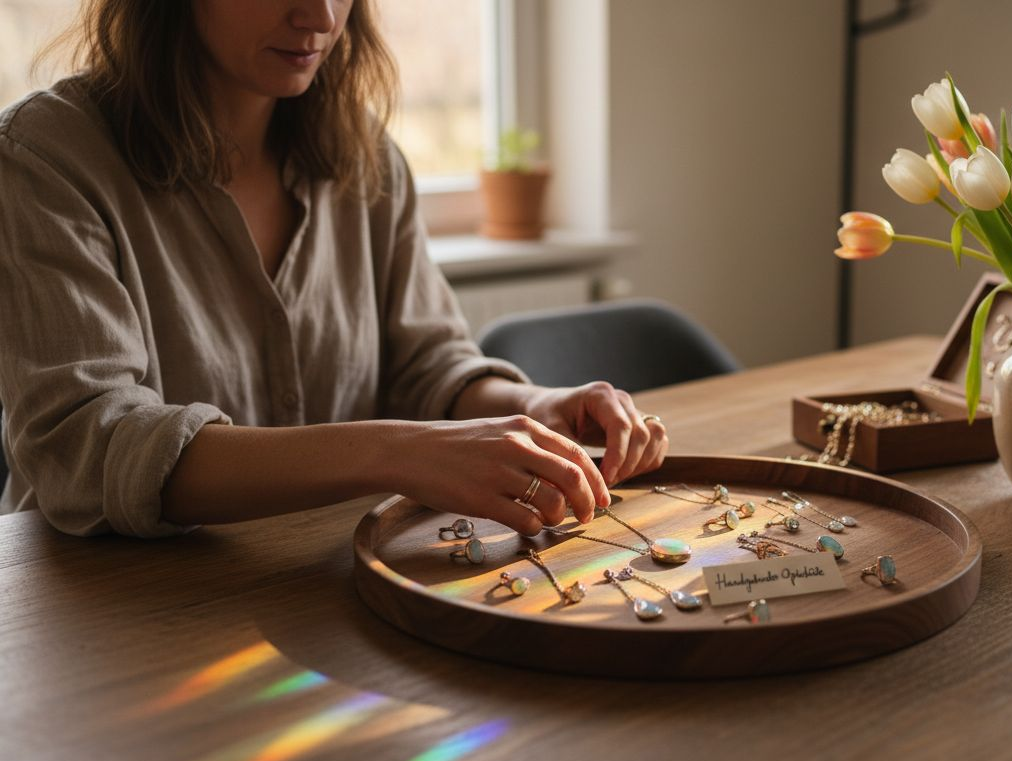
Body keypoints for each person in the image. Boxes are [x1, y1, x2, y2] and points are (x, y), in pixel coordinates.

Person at [0, 0, 667, 538]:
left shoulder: (369, 159)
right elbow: (88, 449)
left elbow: (427, 369)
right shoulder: (47, 159)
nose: (319, 14)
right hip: (91, 625)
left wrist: (533, 410)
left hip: (321, 594)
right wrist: (401, 452)